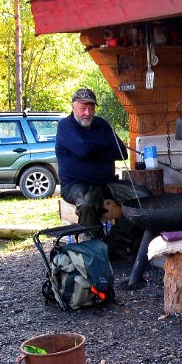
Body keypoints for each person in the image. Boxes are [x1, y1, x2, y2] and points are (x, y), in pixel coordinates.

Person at [56, 88, 147, 249]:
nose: (87, 113)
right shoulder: (65, 126)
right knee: (87, 203)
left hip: (107, 182)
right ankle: (95, 247)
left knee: (143, 198)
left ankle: (113, 244)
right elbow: (83, 150)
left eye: (91, 108)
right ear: (73, 107)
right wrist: (103, 146)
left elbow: (121, 152)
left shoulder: (102, 124)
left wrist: (91, 149)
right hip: (76, 185)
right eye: (83, 108)